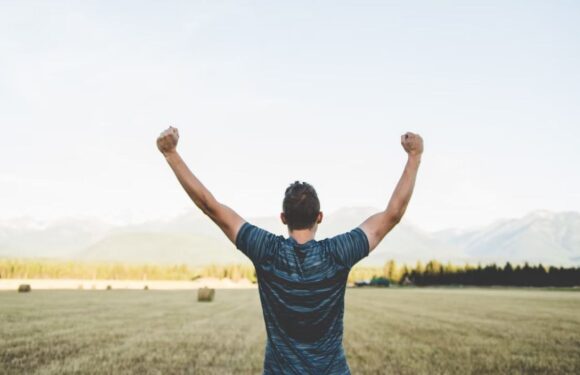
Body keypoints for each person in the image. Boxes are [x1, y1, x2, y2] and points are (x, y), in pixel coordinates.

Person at [156, 127, 423, 374]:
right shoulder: (338, 253)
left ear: (283, 217)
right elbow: (393, 215)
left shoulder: (267, 251)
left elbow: (210, 206)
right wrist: (414, 156)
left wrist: (171, 154)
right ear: (319, 217)